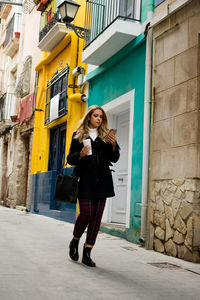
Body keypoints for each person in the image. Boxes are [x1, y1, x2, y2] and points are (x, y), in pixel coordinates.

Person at [67, 105, 120, 267]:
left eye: (101, 117)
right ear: (89, 116)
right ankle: (75, 241)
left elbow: (115, 158)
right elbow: (70, 159)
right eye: (96, 116)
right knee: (86, 213)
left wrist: (113, 145)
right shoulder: (78, 136)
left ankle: (87, 253)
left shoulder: (105, 136)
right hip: (85, 180)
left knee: (96, 219)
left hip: (103, 181)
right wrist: (81, 154)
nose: (99, 119)